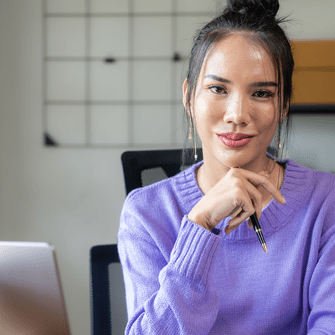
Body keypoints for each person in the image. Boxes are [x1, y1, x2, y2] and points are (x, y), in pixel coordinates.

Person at [118, 0, 335, 333]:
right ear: (189, 97)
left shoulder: (326, 201)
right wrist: (201, 224)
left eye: (261, 93)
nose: (237, 114)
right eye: (218, 88)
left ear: (283, 106)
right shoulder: (145, 212)